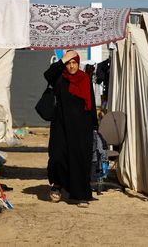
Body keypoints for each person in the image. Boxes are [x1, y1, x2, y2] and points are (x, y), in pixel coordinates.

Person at [43, 50, 97, 207]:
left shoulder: (85, 79)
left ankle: (81, 195)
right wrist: (62, 60)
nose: (72, 66)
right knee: (57, 156)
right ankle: (58, 185)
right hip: (61, 125)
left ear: (78, 63)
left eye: (74, 62)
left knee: (79, 160)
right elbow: (47, 74)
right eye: (69, 63)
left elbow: (91, 103)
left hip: (82, 127)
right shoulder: (60, 78)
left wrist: (94, 125)